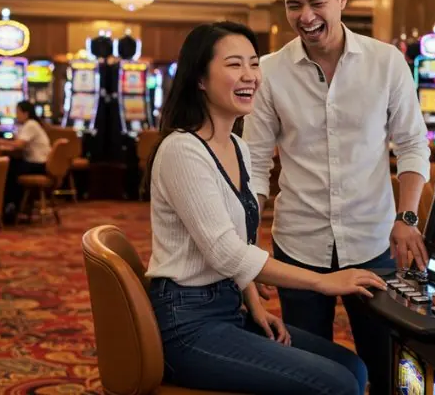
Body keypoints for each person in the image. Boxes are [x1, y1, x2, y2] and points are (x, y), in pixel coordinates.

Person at [145, 21, 387, 395]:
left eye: (254, 64)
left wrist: (255, 305)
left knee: (352, 367)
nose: (250, 76)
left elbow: (239, 242)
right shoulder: (182, 150)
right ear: (200, 79)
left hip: (228, 308)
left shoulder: (237, 147)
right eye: (234, 64)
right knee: (336, 384)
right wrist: (323, 281)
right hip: (187, 324)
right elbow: (226, 252)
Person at [242, 0, 431, 395]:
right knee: (310, 372)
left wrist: (407, 217)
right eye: (294, 5)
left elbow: (411, 144)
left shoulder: (386, 62)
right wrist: (247, 240)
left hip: (374, 242)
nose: (305, 17)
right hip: (299, 243)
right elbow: (255, 161)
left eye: (316, 2)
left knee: (387, 364)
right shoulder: (269, 71)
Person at [3, 100, 51, 220]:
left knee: (8, 169)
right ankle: (14, 205)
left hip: (39, 165)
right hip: (39, 163)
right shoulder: (30, 124)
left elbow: (18, 145)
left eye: (18, 112)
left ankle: (11, 207)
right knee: (11, 165)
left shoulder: (31, 124)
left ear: (26, 113)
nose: (16, 115)